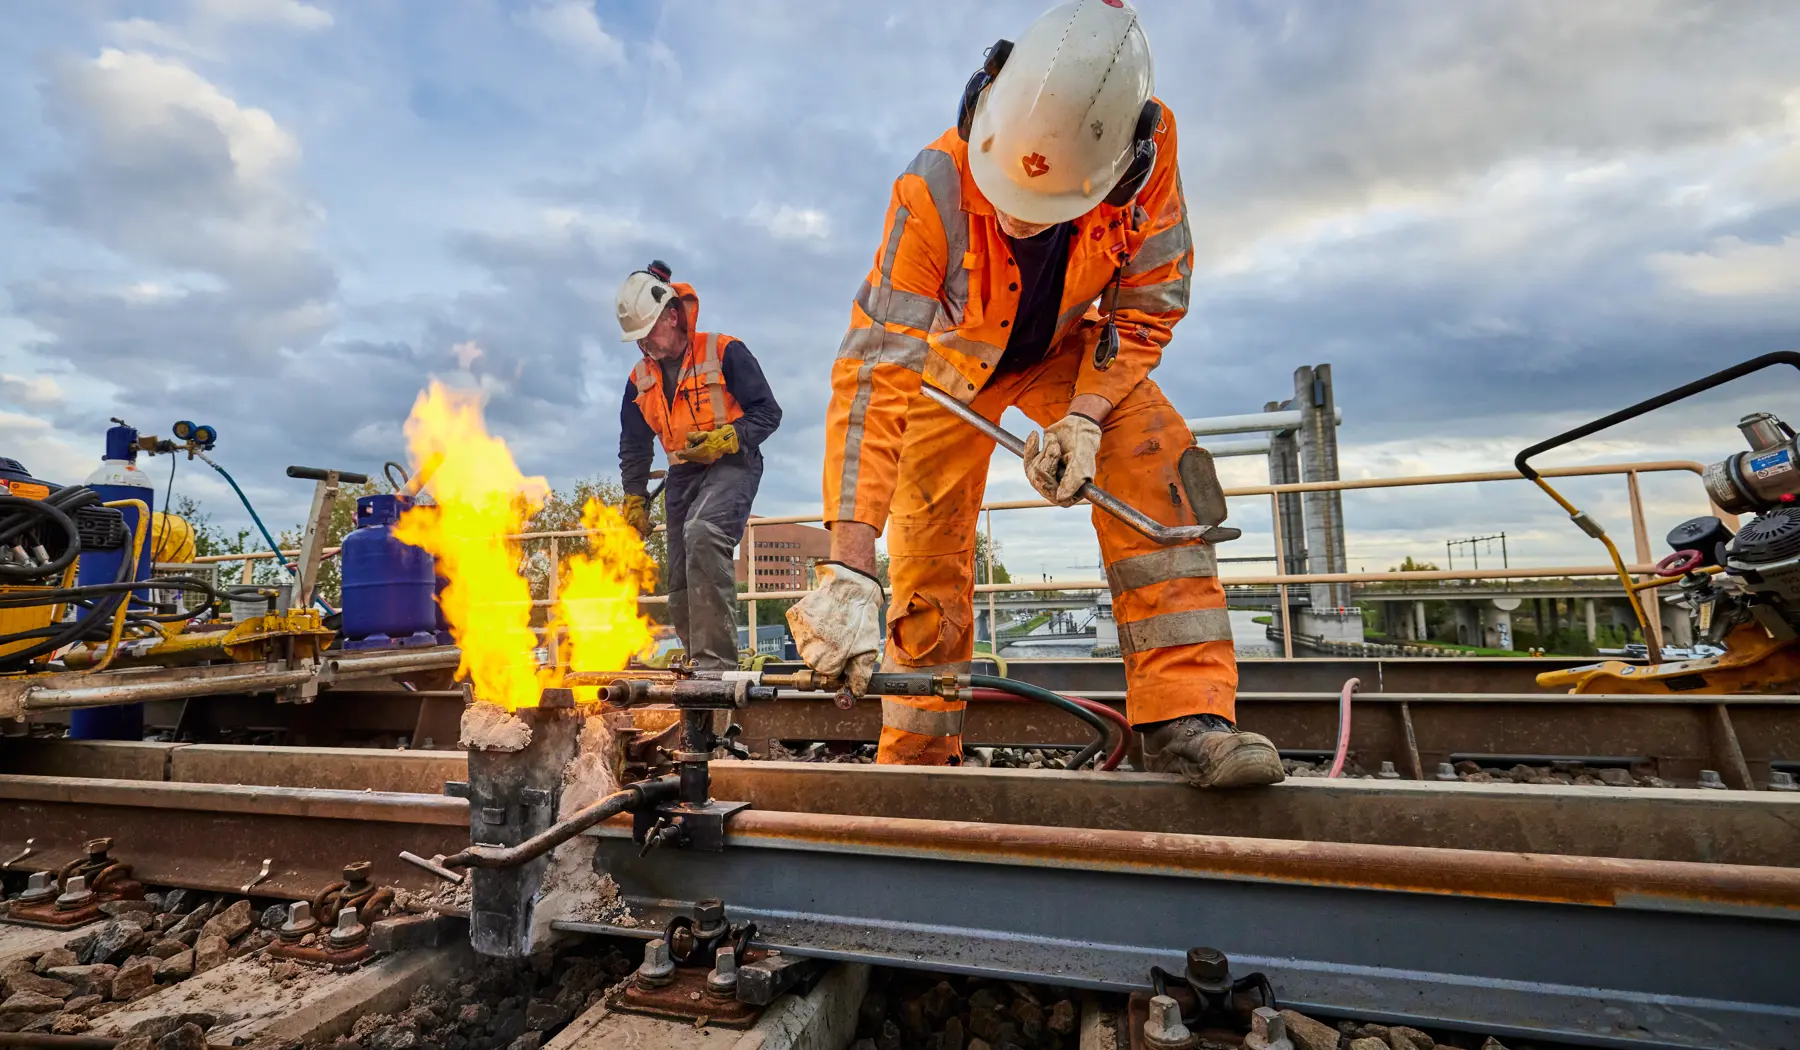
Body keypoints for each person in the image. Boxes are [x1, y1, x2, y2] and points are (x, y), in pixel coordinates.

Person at [788, 0, 1282, 788]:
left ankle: (1188, 715)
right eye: (1006, 202)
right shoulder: (934, 187)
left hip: (1067, 351)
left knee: (1156, 463)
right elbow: (875, 371)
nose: (1017, 221)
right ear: (984, 109)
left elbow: (1150, 306)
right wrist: (849, 563)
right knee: (925, 569)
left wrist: (1086, 418)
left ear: (1118, 167)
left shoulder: (1145, 162)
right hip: (951, 372)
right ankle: (919, 767)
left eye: (1043, 210)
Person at [617, 261, 782, 671]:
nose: (644, 345)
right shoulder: (641, 379)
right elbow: (635, 445)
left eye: (649, 332)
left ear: (672, 316)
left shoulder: (723, 351)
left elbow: (768, 412)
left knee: (703, 533)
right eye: (637, 338)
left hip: (734, 463)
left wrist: (729, 437)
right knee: (679, 578)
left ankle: (716, 667)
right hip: (683, 474)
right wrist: (634, 498)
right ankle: (696, 659)